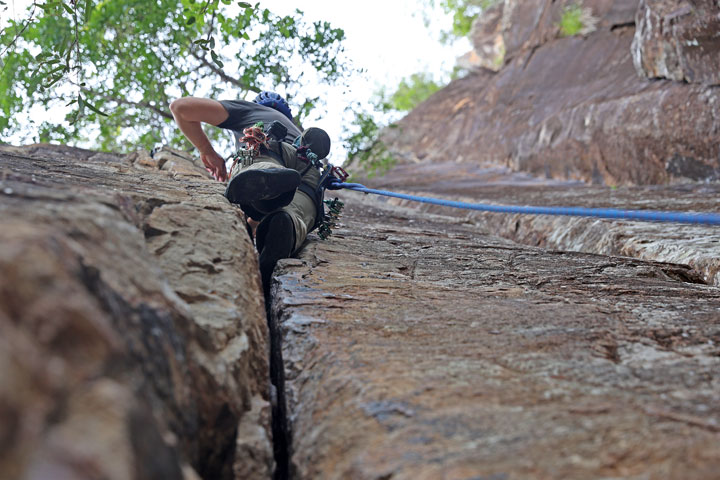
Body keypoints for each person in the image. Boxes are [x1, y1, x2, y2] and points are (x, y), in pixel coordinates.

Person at [169, 92, 331, 289]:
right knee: (295, 214)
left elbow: (180, 107)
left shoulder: (253, 110)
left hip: (270, 148)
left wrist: (207, 151)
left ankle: (266, 192)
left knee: (260, 162)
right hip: (311, 175)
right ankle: (284, 223)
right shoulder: (295, 131)